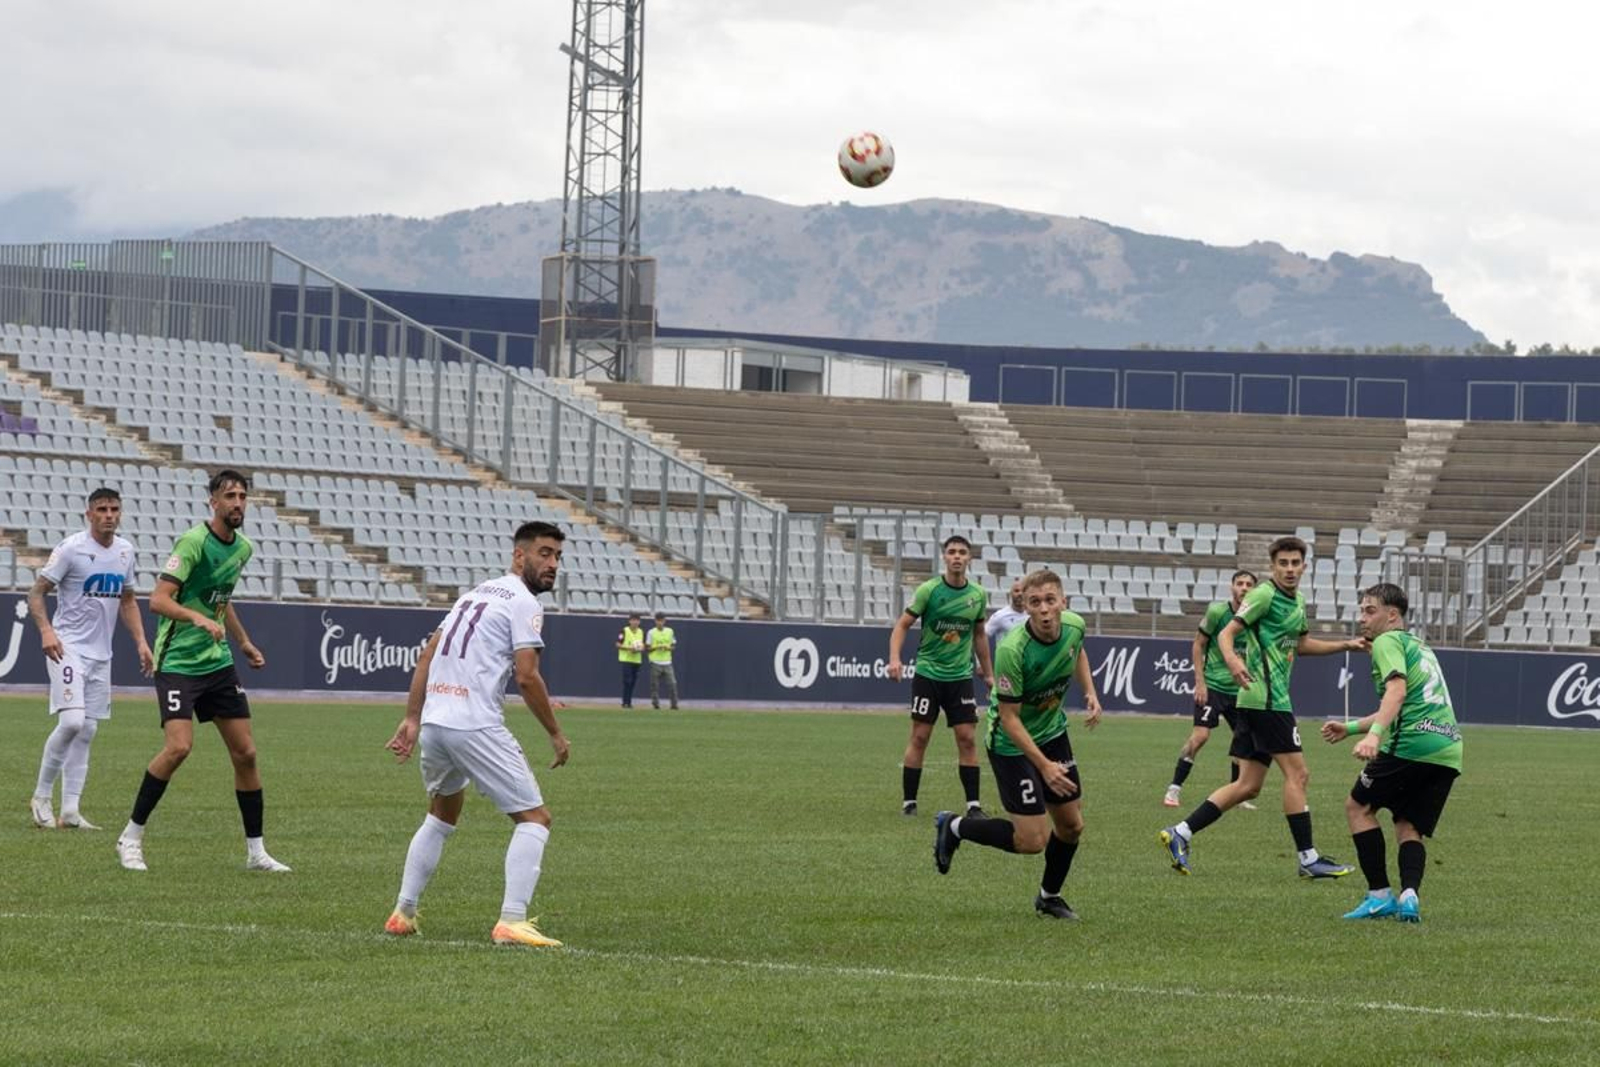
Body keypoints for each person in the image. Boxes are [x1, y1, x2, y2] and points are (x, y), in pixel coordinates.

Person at [383, 521, 571, 948]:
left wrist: (413, 718)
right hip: (474, 724)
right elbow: (527, 677)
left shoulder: (476, 593)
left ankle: (403, 912)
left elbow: (429, 652)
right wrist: (556, 735)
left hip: (436, 722)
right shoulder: (523, 602)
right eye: (544, 553)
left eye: (558, 556)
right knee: (535, 819)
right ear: (519, 556)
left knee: (441, 813)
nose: (553, 564)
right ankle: (512, 920)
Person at [115, 470, 288, 873]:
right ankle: (131, 837)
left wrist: (242, 641)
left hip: (218, 662)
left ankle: (256, 852)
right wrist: (196, 619)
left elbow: (220, 600)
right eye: (230, 495)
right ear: (213, 501)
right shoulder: (193, 543)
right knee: (179, 748)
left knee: (246, 753)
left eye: (243, 496)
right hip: (177, 662)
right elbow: (158, 601)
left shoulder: (243, 548)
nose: (238, 503)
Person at [1160, 536, 1363, 879]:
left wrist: (1346, 644)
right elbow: (1226, 633)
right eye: (1282, 563)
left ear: (1304, 566)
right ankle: (1309, 858)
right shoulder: (1264, 595)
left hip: (1258, 702)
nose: (1289, 569)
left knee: (1248, 785)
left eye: (1295, 563)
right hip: (1267, 701)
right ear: (1272, 567)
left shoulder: (1296, 600)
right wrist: (1233, 660)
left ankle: (1180, 832)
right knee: (1298, 775)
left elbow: (1300, 644)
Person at [932, 568, 1102, 919]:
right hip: (1011, 743)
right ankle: (954, 826)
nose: (1043, 609)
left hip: (1053, 733)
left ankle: (1049, 897)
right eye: (1035, 602)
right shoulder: (1013, 649)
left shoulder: (1075, 625)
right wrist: (1044, 767)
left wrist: (1090, 691)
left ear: (1063, 603)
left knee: (1072, 825)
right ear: (1024, 605)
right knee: (1032, 841)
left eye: (1050, 601)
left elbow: (1078, 651)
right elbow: (1009, 718)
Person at [1322, 583, 1462, 924]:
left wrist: (1373, 736)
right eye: (1362, 610)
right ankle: (1410, 895)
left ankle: (1379, 896)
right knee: (1407, 821)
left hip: (1411, 743)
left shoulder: (1387, 641)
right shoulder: (1420, 646)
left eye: (1370, 611)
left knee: (1358, 806)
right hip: (1447, 749)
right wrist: (1351, 727)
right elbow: (1402, 702)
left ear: (1392, 615)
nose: (1363, 619)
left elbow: (1396, 692)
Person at [28, 487, 153, 830]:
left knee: (88, 729)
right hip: (66, 647)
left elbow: (128, 600)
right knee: (71, 723)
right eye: (102, 509)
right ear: (89, 514)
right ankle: (41, 797)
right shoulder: (72, 549)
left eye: (114, 509)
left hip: (102, 654)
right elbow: (37, 592)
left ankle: (70, 811)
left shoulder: (126, 551)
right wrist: (46, 631)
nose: (109, 515)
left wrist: (142, 642)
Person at [888, 535, 993, 817]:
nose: (957, 556)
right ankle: (909, 803)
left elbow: (980, 635)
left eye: (962, 552)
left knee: (967, 738)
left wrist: (989, 673)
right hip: (928, 674)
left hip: (960, 677)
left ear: (969, 558)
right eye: (952, 552)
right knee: (920, 736)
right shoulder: (929, 591)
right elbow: (902, 625)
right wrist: (895, 659)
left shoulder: (977, 595)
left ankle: (974, 806)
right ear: (944, 558)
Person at [1164, 570, 1258, 809]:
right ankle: (1174, 789)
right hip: (1213, 687)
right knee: (1200, 737)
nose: (1244, 588)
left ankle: (1236, 795)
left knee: (1243, 742)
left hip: (1241, 691)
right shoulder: (1217, 612)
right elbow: (1198, 644)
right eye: (1240, 583)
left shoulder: (1257, 616)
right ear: (1232, 587)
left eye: (1249, 584)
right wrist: (1200, 682)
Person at [984, 578, 1028, 652]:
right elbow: (983, 635)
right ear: (1010, 594)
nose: (1020, 594)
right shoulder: (1000, 616)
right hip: (1005, 660)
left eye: (1023, 591)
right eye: (1016, 591)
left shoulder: (1032, 615)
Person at [647, 611, 679, 710]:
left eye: (661, 621)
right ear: (655, 621)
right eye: (658, 621)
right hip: (655, 661)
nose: (660, 623)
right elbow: (647, 648)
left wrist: (667, 648)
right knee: (654, 685)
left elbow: (673, 646)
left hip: (667, 662)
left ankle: (674, 704)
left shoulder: (670, 631)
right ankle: (655, 704)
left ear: (664, 621)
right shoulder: (651, 632)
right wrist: (656, 647)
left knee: (672, 684)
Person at [616, 613, 645, 708]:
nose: (635, 622)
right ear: (629, 621)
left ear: (639, 622)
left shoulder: (641, 632)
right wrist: (629, 648)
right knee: (627, 681)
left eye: (637, 620)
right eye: (633, 620)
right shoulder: (624, 630)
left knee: (633, 682)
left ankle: (629, 702)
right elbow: (618, 644)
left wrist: (640, 648)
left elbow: (643, 645)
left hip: (636, 660)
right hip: (626, 659)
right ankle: (625, 701)